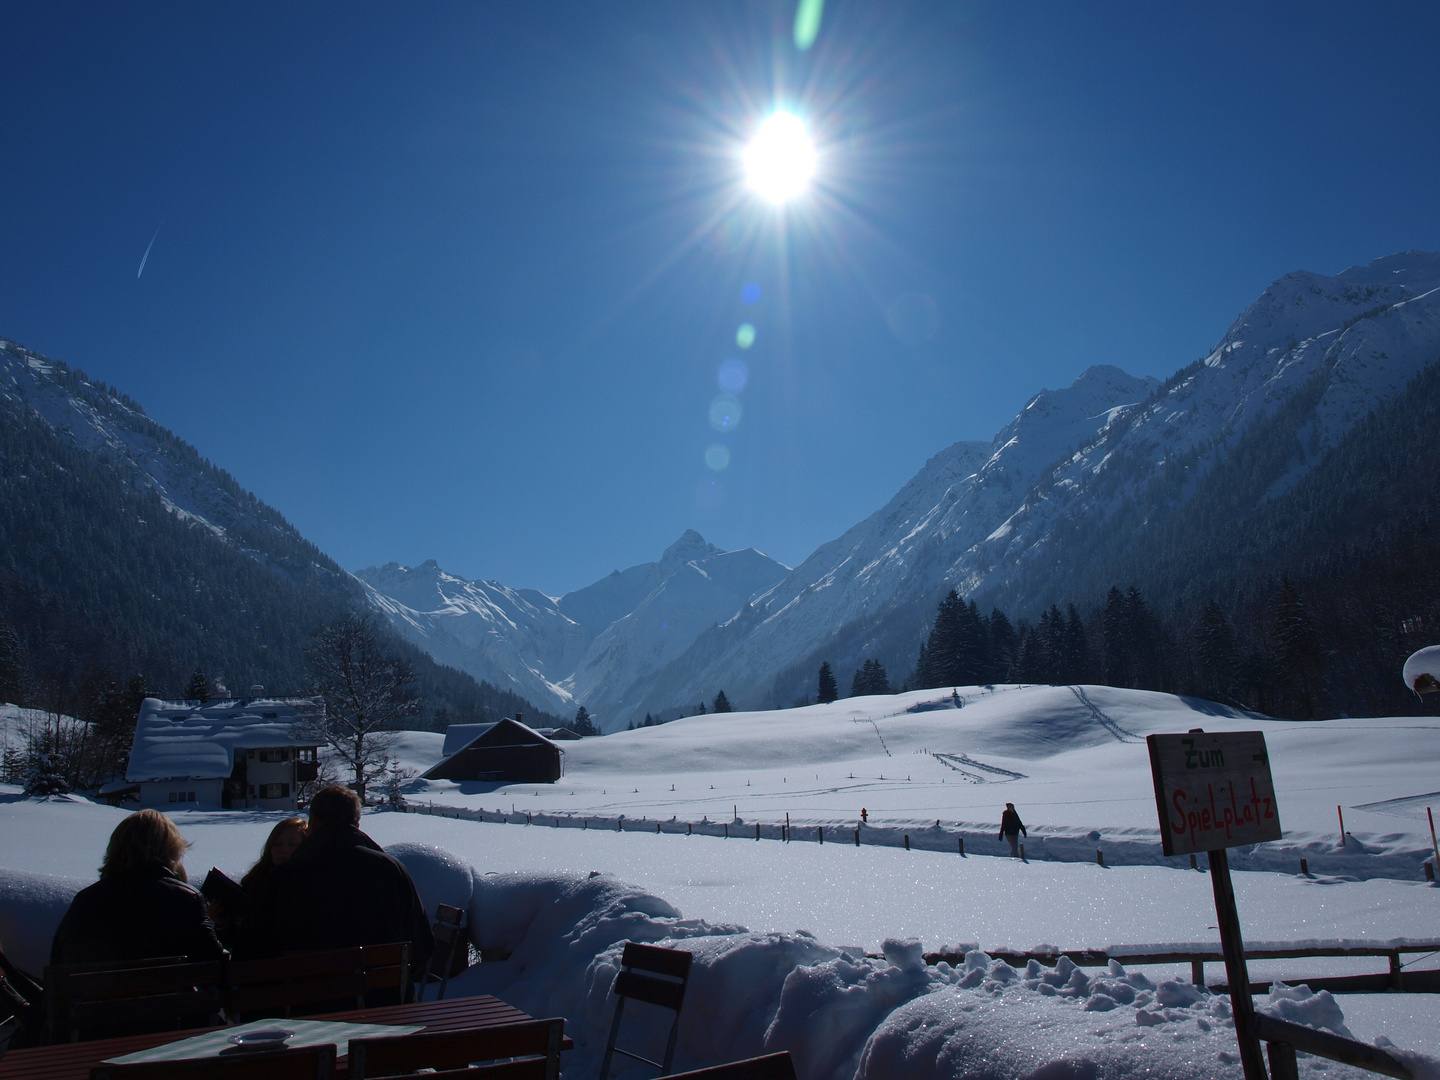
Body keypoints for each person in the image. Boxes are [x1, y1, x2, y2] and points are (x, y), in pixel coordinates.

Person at [240, 786, 433, 1002]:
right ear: (356, 823)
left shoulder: (284, 877)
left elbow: (252, 952)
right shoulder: (390, 870)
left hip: (305, 1012)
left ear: (312, 822)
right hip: (384, 1007)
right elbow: (420, 950)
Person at [50, 809, 225, 966]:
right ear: (171, 852)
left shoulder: (85, 902)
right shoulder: (186, 901)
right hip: (168, 1002)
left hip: (96, 1001)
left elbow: (58, 965)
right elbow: (216, 968)